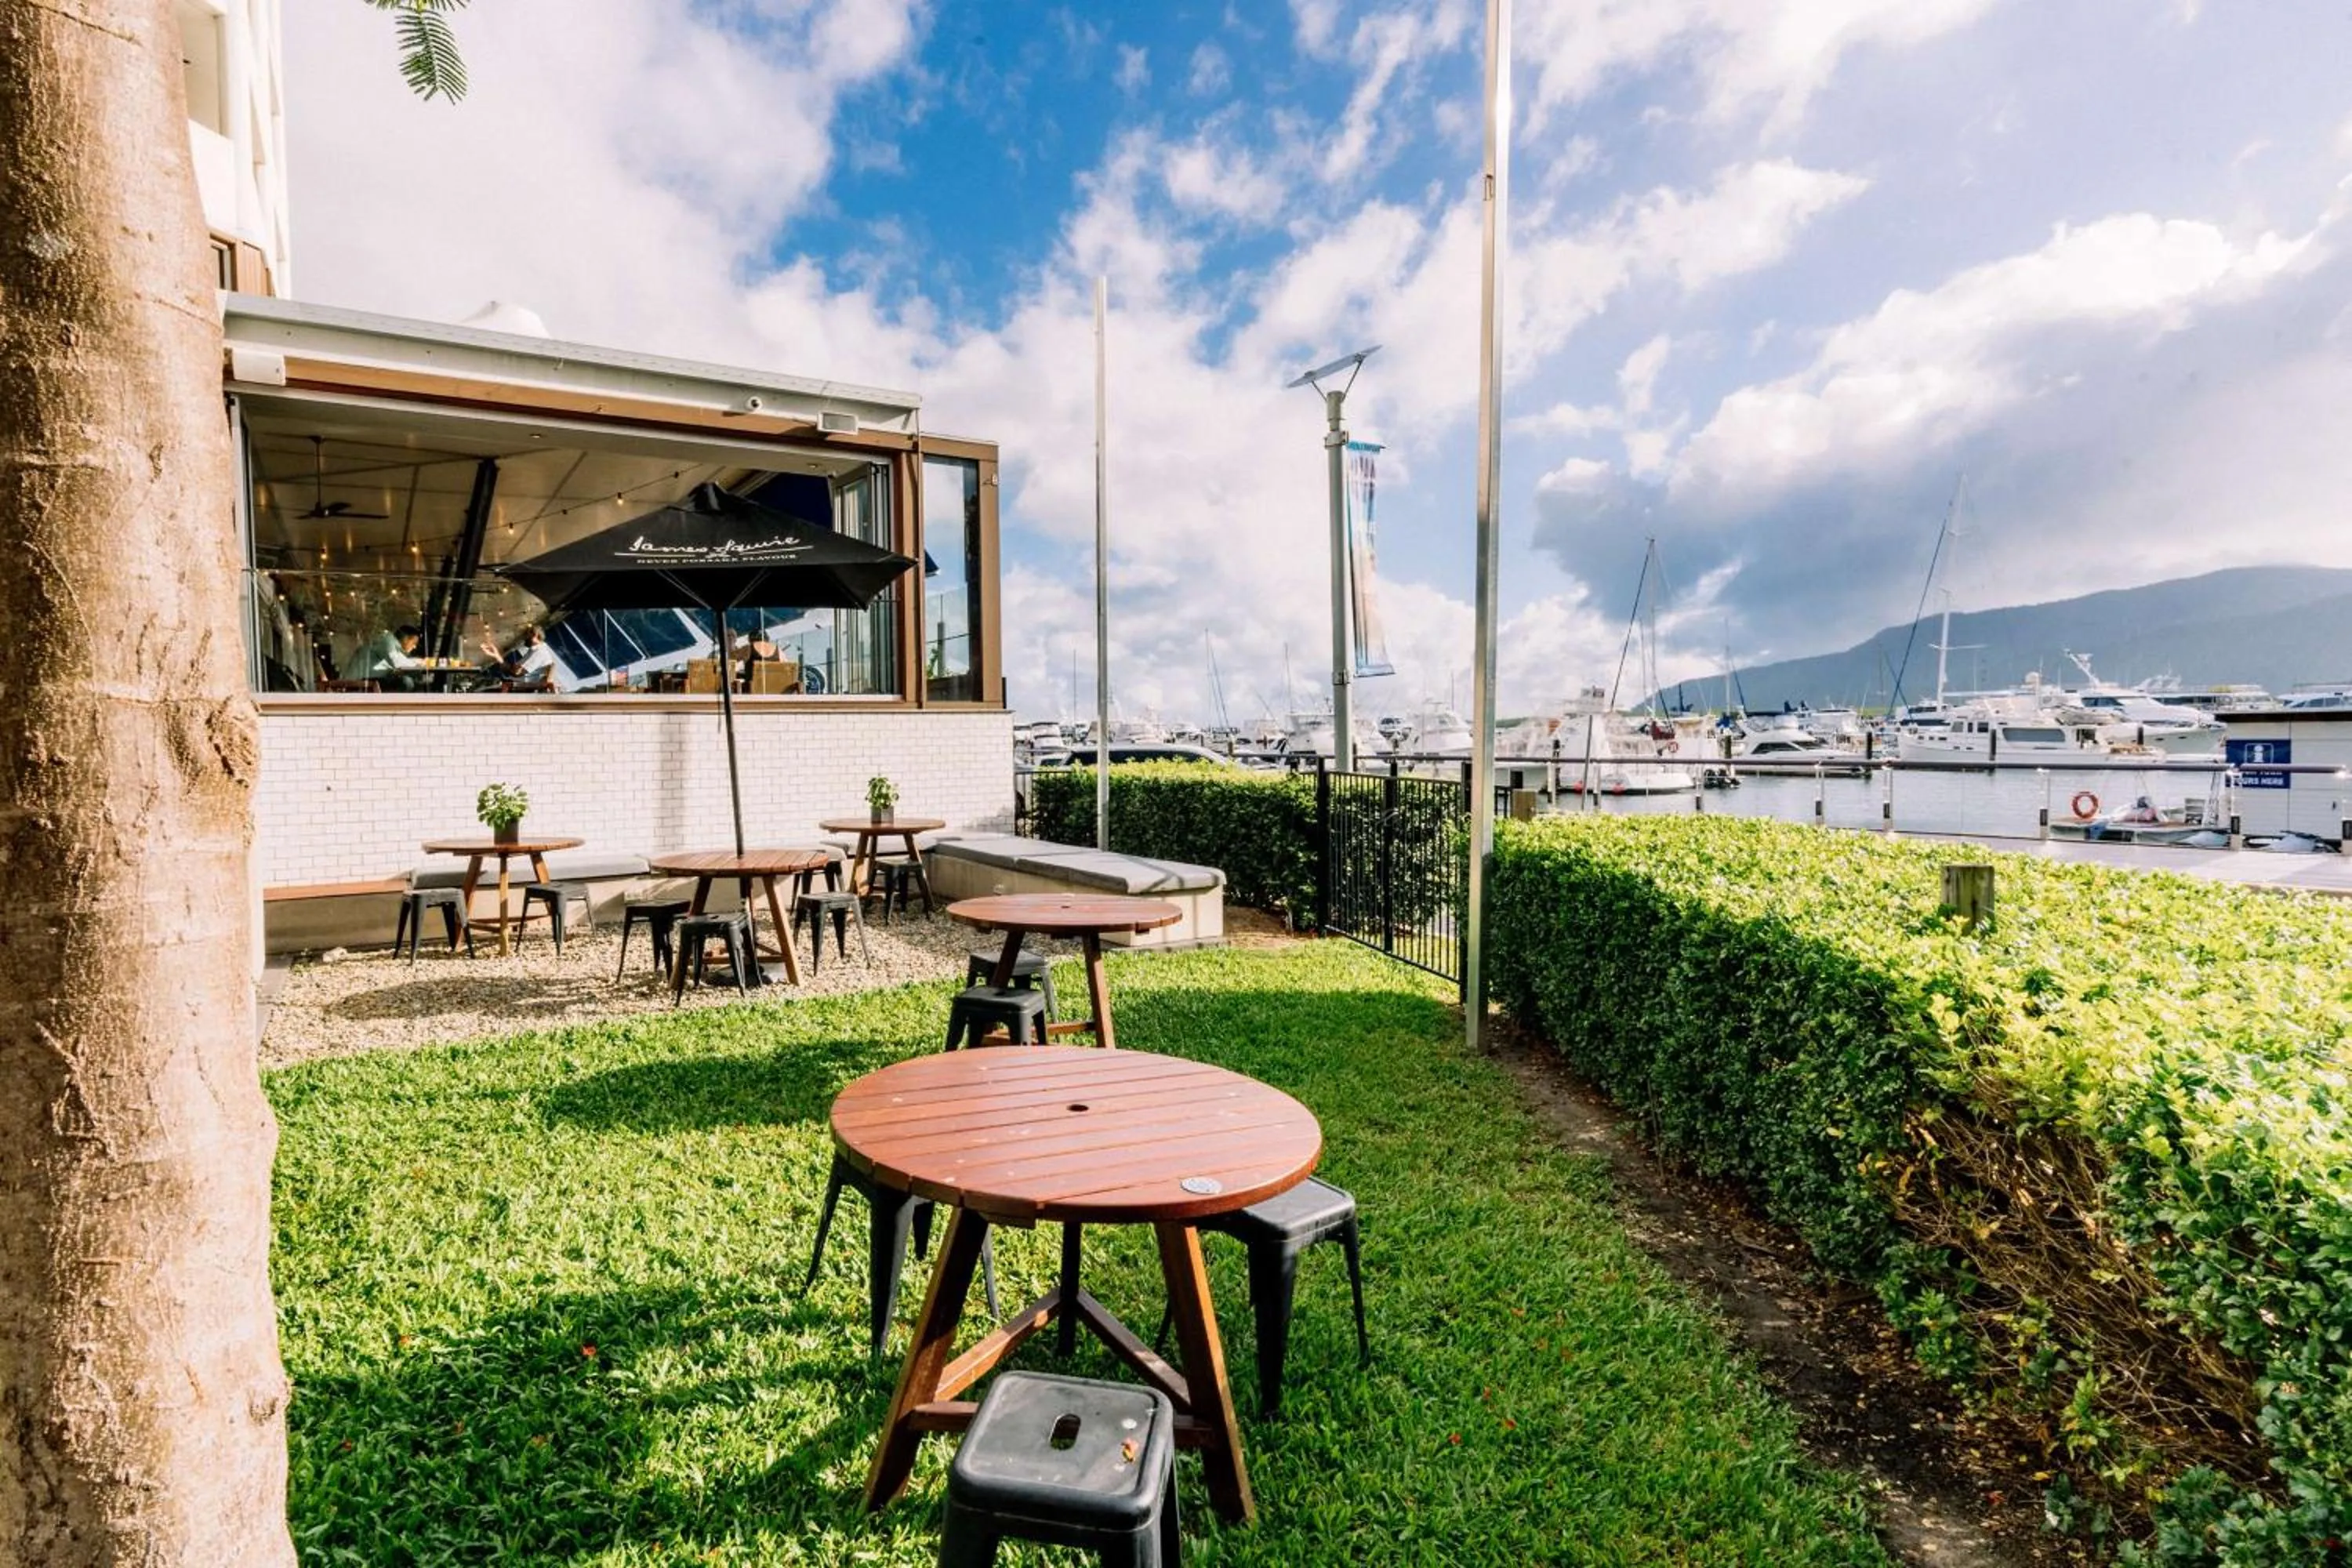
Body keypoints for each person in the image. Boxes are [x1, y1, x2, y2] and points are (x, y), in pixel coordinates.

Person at [347, 623, 423, 688]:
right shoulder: (387, 641)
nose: (414, 647)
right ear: (406, 639)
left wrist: (419, 663)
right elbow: (395, 662)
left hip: (370, 681)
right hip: (359, 681)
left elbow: (400, 660)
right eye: (414, 643)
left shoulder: (395, 647)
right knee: (406, 682)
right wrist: (419, 664)